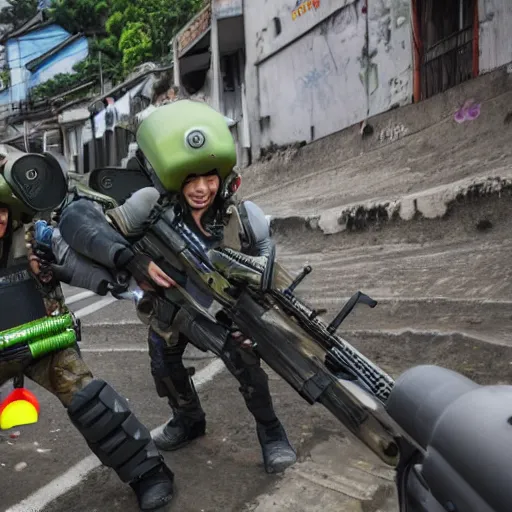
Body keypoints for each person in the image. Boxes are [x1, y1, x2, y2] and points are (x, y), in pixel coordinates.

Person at [47, 99, 298, 475]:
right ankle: (188, 418)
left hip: (226, 310)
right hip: (170, 308)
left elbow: (267, 263)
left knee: (247, 365)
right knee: (164, 365)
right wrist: (130, 259)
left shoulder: (244, 218)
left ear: (225, 177)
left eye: (209, 178)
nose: (201, 189)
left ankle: (271, 431)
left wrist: (258, 311)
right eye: (190, 179)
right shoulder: (151, 204)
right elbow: (83, 223)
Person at [0, 159, 174, 512]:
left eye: (0, 211)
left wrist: (126, 278)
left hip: (43, 341)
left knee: (92, 403)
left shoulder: (32, 237)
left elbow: (73, 259)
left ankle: (147, 472)